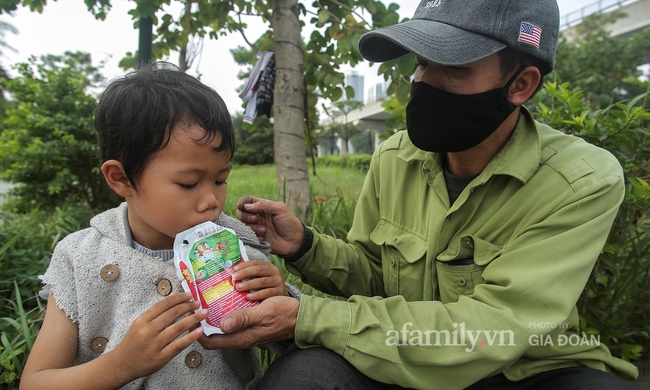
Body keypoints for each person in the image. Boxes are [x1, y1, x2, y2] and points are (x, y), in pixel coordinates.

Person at [199, 0, 643, 389]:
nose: (425, 81)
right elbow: (374, 271)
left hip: (526, 371)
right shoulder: (395, 157)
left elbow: (492, 330)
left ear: (521, 85)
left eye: (453, 68)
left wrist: (306, 316)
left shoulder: (581, 180)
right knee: (303, 376)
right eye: (421, 62)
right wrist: (305, 246)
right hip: (400, 360)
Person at [20, 62, 295, 390]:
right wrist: (120, 365)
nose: (211, 200)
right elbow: (35, 382)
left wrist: (279, 298)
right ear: (121, 178)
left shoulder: (236, 251)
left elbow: (286, 343)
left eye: (221, 179)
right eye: (189, 183)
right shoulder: (79, 257)